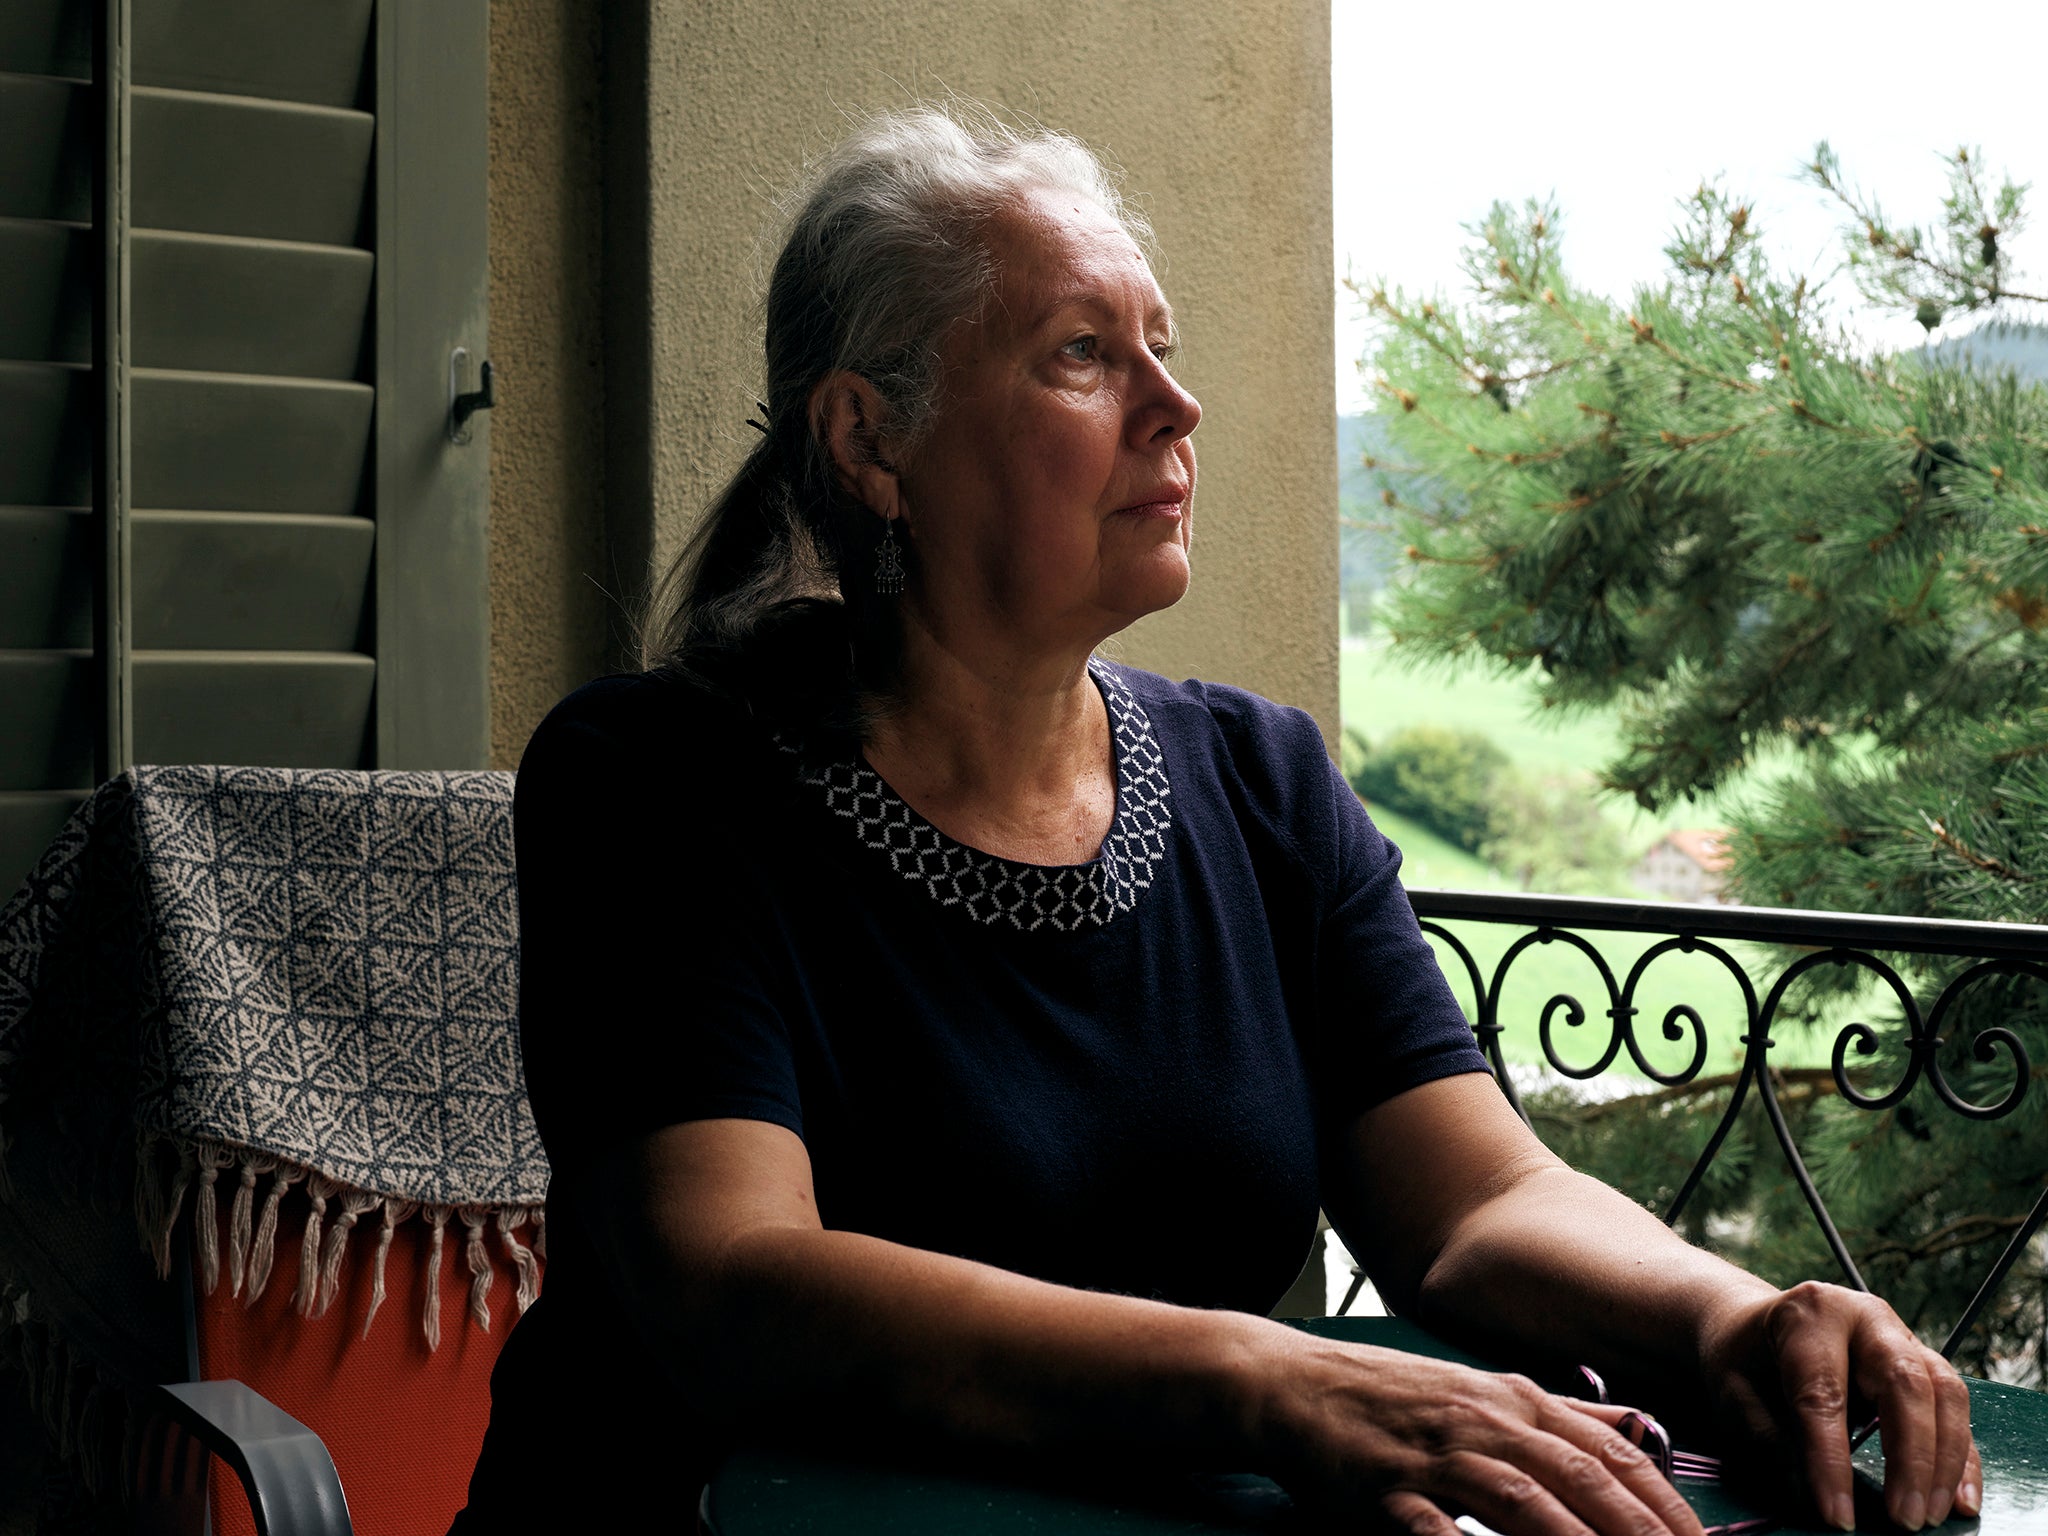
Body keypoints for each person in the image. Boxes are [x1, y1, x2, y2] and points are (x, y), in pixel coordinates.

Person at [453, 106, 1979, 1534]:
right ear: (870, 442)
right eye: (1079, 355)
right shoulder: (658, 780)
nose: (1177, 406)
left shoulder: (1261, 782)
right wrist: (1274, 1378)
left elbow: (1482, 1201)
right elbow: (731, 1281)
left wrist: (1726, 1316)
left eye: (1161, 351)